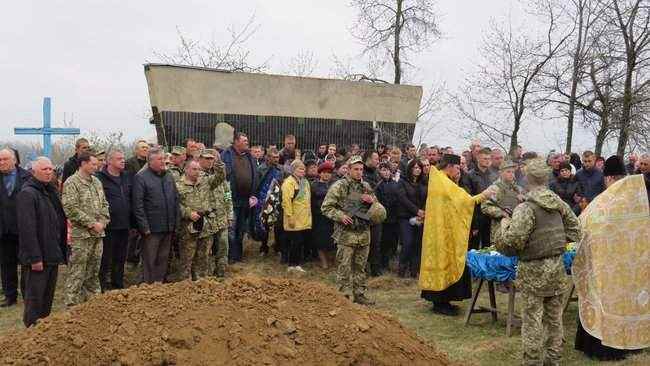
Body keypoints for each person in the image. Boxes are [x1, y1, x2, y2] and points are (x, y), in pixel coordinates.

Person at [497, 158, 581, 366]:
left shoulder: (526, 208)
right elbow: (577, 230)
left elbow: (512, 243)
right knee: (554, 319)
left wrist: (504, 226)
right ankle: (553, 360)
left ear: (527, 179)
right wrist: (555, 242)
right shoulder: (559, 203)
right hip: (557, 268)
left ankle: (532, 362)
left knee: (532, 320)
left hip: (533, 271)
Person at [420, 154, 495, 316]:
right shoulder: (442, 182)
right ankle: (440, 302)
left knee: (446, 262)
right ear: (450, 166)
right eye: (457, 168)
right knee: (443, 262)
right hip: (442, 232)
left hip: (444, 230)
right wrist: (485, 195)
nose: (459, 171)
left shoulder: (439, 179)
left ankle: (444, 301)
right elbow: (465, 201)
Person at [17, 157, 68, 327]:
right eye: (44, 169)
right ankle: (31, 334)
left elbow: (58, 221)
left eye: (50, 169)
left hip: (52, 253)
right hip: (38, 258)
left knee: (47, 299)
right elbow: (27, 230)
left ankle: (43, 334)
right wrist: (35, 258)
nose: (48, 172)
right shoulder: (28, 194)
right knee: (35, 299)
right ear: (33, 172)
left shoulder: (51, 191)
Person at [321, 156, 378, 305]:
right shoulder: (339, 186)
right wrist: (340, 215)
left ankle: (359, 294)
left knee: (361, 266)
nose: (359, 172)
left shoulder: (366, 186)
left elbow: (376, 208)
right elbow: (326, 207)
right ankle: (344, 296)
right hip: (346, 233)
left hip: (364, 233)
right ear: (349, 169)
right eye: (356, 169)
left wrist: (372, 201)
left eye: (361, 169)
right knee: (344, 266)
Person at [61, 152, 110, 306]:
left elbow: (104, 204)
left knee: (93, 272)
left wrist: (103, 221)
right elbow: (71, 208)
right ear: (83, 164)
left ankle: (93, 306)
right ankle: (72, 307)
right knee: (77, 273)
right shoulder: (72, 183)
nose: (97, 166)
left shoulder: (96, 182)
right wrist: (91, 223)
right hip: (81, 237)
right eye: (93, 164)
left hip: (98, 235)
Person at [132, 147, 180, 283]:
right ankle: (148, 287)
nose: (163, 161)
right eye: (160, 159)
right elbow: (138, 205)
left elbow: (176, 200)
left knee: (163, 259)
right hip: (151, 229)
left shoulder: (168, 176)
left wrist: (175, 224)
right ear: (150, 161)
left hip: (168, 226)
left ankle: (159, 286)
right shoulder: (141, 177)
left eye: (164, 158)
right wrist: (144, 227)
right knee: (149, 260)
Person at [176, 158, 226, 280]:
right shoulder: (178, 185)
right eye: (194, 169)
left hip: (205, 227)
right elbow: (175, 205)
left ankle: (202, 283)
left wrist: (219, 165)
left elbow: (220, 178)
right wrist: (188, 213)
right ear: (186, 169)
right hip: (188, 228)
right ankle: (185, 285)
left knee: (203, 258)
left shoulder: (205, 182)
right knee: (187, 259)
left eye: (198, 169)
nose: (197, 172)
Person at [95, 149, 132, 291]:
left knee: (120, 258)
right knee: (105, 259)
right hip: (108, 226)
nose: (123, 160)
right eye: (119, 158)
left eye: (123, 158)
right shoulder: (99, 178)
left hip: (124, 225)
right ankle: (102, 286)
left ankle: (118, 285)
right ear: (109, 161)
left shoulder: (127, 177)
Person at [221, 133, 259, 263]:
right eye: (244, 140)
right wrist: (226, 198)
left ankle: (238, 255)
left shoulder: (249, 156)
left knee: (241, 228)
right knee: (232, 228)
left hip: (246, 200)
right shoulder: (226, 155)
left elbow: (255, 174)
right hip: (231, 199)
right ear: (236, 141)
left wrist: (253, 193)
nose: (247, 143)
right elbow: (224, 178)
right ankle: (231, 256)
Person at [0, 148, 31, 307]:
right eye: (0, 160)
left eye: (5, 159)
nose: (2, 162)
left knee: (27, 263)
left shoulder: (27, 177)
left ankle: (28, 295)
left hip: (23, 229)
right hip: (4, 230)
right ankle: (10, 296)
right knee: (6, 264)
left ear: (15, 160)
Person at [481, 159, 523, 247]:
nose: (511, 174)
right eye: (508, 172)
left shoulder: (518, 189)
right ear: (501, 173)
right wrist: (501, 213)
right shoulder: (494, 188)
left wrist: (522, 200)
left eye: (513, 172)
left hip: (516, 228)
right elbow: (485, 207)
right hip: (499, 228)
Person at [396, 159, 427, 278]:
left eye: (419, 168)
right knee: (408, 242)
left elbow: (427, 198)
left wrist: (423, 212)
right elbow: (403, 199)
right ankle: (402, 269)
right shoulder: (402, 182)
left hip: (420, 217)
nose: (417, 170)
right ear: (410, 169)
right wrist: (416, 211)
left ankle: (414, 270)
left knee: (417, 244)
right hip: (405, 216)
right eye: (415, 167)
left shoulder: (424, 182)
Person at [282, 160, 312, 273]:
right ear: (293, 170)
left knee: (301, 242)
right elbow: (286, 201)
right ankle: (291, 264)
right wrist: (290, 216)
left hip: (304, 218)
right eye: (300, 169)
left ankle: (298, 264)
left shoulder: (305, 182)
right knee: (295, 241)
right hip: (294, 217)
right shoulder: (288, 183)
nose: (302, 171)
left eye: (304, 169)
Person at [467, 147, 497, 249]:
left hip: (490, 215)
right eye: (485, 158)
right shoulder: (470, 175)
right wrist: (473, 223)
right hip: (476, 215)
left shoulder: (494, 175)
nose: (487, 161)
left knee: (488, 246)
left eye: (489, 159)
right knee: (473, 247)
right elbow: (469, 198)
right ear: (478, 158)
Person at [310, 161, 335, 269]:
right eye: (324, 172)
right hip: (319, 217)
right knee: (320, 241)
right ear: (320, 173)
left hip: (331, 217)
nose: (326, 175)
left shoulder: (334, 185)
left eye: (329, 173)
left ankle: (329, 260)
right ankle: (323, 262)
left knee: (330, 240)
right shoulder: (314, 185)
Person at [375, 162, 399, 274]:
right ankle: (381, 263)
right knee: (383, 242)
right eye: (383, 170)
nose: (386, 172)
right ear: (380, 172)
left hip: (394, 217)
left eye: (388, 170)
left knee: (392, 241)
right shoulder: (379, 185)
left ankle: (388, 261)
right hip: (384, 218)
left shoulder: (396, 184)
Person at [362, 150, 382, 276]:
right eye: (376, 159)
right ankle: (361, 269)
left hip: (376, 213)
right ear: (368, 159)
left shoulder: (377, 174)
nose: (378, 161)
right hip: (363, 213)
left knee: (375, 242)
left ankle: (375, 269)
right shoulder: (361, 173)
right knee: (364, 243)